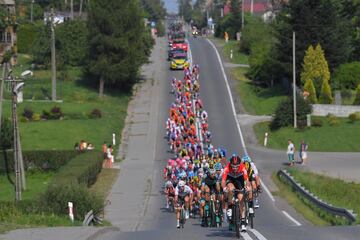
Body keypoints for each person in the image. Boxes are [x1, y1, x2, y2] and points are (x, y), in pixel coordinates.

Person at [222, 155, 251, 232]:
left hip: (239, 180)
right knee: (230, 189)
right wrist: (224, 188)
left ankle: (243, 221)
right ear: (230, 164)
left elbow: (247, 180)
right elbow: (223, 181)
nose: (234, 168)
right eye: (233, 166)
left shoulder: (242, 167)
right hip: (230, 179)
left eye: (236, 166)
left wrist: (247, 186)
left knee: (241, 198)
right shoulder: (227, 167)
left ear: (239, 165)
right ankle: (230, 206)